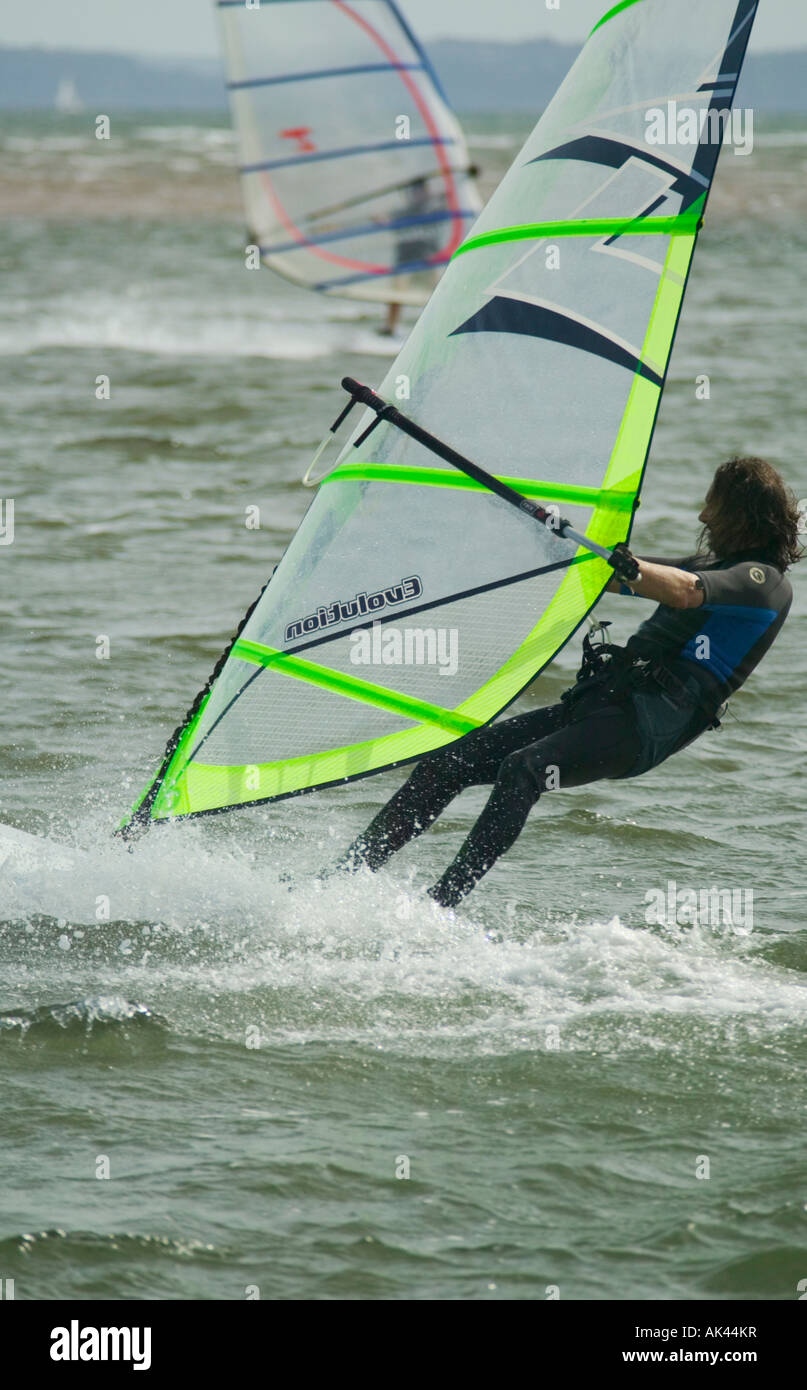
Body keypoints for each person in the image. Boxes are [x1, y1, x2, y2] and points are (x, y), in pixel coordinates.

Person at [336, 457, 801, 906]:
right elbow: (607, 574)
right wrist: (546, 535)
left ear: (741, 513)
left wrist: (629, 567)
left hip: (644, 726)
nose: (702, 514)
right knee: (448, 763)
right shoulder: (711, 564)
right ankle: (342, 880)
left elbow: (680, 589)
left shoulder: (762, 583)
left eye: (712, 505)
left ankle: (440, 906)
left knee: (525, 770)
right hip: (603, 704)